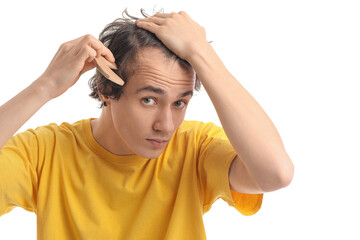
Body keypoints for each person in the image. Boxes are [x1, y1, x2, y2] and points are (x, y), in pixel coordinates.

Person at [0, 9, 294, 240]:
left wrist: (203, 54)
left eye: (180, 102)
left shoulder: (196, 148)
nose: (166, 126)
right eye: (149, 100)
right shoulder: (44, 152)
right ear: (106, 89)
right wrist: (45, 86)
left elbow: (276, 174)